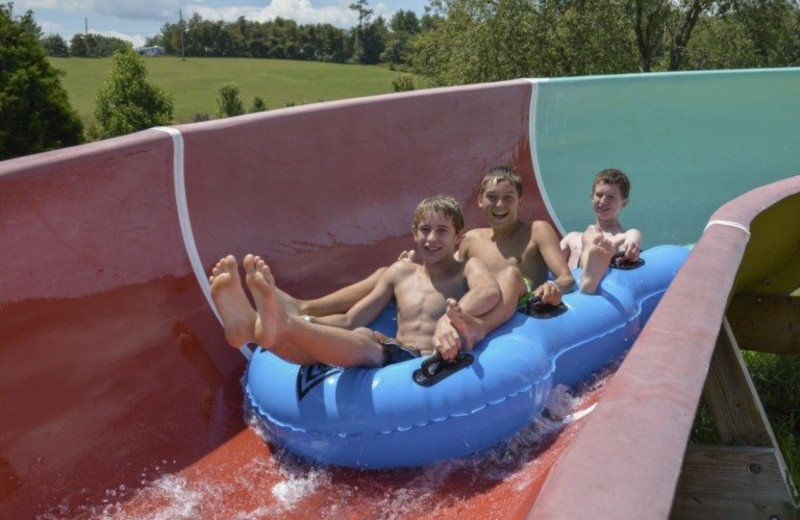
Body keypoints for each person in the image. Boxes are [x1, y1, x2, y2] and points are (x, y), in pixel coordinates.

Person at [209, 195, 501, 367]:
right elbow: (349, 320)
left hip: (436, 357)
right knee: (362, 334)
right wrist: (313, 324)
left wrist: (449, 319)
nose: (431, 238)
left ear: (458, 238)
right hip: (396, 354)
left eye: (442, 231)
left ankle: (280, 323)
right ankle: (258, 327)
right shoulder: (400, 273)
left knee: (364, 340)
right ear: (413, 233)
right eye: (425, 229)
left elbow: (490, 292)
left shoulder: (467, 269)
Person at [454, 166, 577, 338]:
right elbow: (451, 282)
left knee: (511, 274)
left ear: (520, 201)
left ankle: (477, 327)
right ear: (480, 200)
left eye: (508, 198)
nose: (499, 204)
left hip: (523, 313)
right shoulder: (471, 239)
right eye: (492, 197)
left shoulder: (537, 231)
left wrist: (551, 287)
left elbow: (567, 278)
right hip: (478, 309)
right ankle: (452, 323)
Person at [560, 168, 642, 294]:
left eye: (611, 197)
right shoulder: (572, 238)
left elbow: (633, 237)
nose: (603, 201)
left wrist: (633, 243)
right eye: (599, 195)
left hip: (596, 296)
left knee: (595, 237)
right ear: (591, 197)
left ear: (624, 203)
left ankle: (589, 274)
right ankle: (587, 272)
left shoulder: (624, 236)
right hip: (569, 296)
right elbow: (549, 268)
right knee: (590, 233)